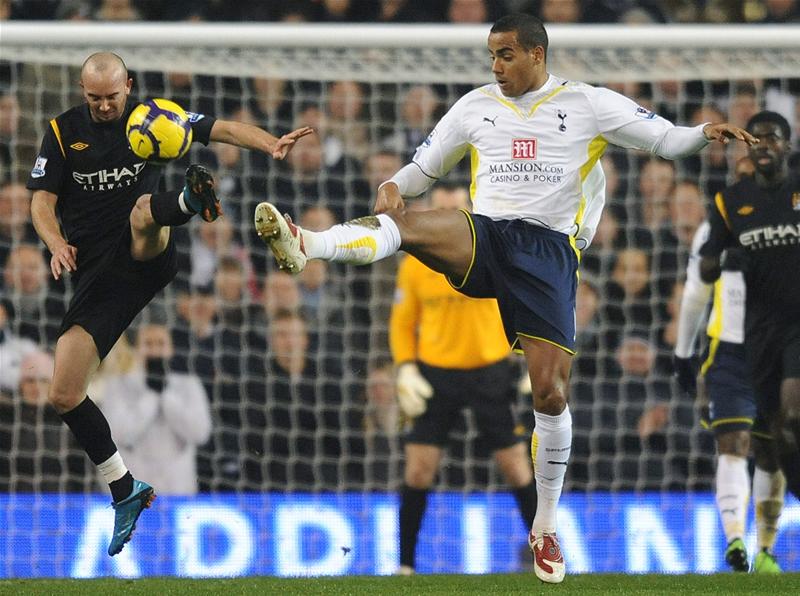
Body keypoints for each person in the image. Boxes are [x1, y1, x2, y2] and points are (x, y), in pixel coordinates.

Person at [254, 14, 754, 583]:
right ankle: (307, 242)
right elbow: (424, 166)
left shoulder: (588, 104)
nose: (496, 66)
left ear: (538, 54)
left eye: (507, 55)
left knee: (549, 392)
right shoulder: (474, 107)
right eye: (492, 55)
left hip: (548, 255)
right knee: (410, 223)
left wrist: (704, 131)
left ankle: (545, 528)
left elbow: (664, 139)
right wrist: (396, 182)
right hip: (487, 235)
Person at [26, 51, 311, 556]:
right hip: (98, 276)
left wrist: (269, 141)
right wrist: (53, 242)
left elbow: (219, 128)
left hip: (146, 253)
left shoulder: (154, 115)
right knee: (64, 393)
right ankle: (124, 488)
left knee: (141, 211)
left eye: (112, 96)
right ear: (82, 92)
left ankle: (187, 201)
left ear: (128, 86)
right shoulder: (62, 131)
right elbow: (41, 201)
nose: (105, 106)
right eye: (94, 98)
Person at [389, 182, 537, 575]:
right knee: (418, 468)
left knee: (516, 467)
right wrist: (405, 367)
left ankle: (545, 553)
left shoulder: (495, 251)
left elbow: (524, 302)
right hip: (435, 374)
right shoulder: (414, 263)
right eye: (442, 207)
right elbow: (403, 323)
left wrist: (528, 357)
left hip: (491, 371)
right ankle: (405, 565)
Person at [699, 110, 800, 535]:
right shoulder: (729, 201)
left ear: (787, 145)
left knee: (794, 416)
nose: (763, 145)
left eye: (772, 138)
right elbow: (705, 270)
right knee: (774, 440)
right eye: (755, 139)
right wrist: (723, 260)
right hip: (758, 334)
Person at [675, 219, 786, 573]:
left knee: (772, 452)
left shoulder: (790, 220)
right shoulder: (714, 226)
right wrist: (684, 350)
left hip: (780, 348)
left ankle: (765, 549)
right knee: (733, 441)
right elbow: (696, 290)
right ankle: (735, 537)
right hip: (730, 352)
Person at [98, 322, 211, 496]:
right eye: (148, 344)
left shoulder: (189, 385)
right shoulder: (117, 386)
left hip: (179, 487)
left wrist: (167, 397)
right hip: (134, 489)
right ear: (136, 350)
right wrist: (150, 398)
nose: (155, 350)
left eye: (161, 343)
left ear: (171, 349)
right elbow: (117, 434)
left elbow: (200, 433)